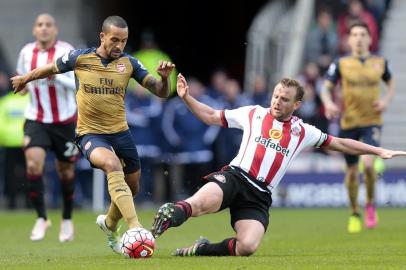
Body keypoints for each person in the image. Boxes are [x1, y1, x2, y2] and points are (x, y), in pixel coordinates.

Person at [150, 74, 405, 257]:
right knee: (197, 204)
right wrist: (186, 97)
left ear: (296, 105)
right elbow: (211, 116)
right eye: (275, 96)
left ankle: (202, 248)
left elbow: (340, 143)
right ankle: (166, 219)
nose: (277, 101)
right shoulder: (252, 113)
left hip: (260, 195)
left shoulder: (302, 131)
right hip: (236, 177)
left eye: (284, 99)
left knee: (247, 247)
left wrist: (378, 150)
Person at [11, 15, 175, 253]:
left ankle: (109, 224)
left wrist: (164, 79)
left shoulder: (129, 63)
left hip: (121, 134)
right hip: (90, 134)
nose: (119, 45)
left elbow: (160, 91)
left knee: (133, 187)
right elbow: (52, 67)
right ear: (102, 37)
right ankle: (135, 226)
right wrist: (26, 78)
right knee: (111, 165)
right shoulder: (80, 58)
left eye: (124, 40)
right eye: (114, 39)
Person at [320, 21, 395, 233]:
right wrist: (328, 103)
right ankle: (354, 211)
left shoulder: (380, 62)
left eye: (363, 34)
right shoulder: (341, 63)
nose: (359, 38)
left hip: (371, 122)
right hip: (348, 123)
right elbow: (325, 88)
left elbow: (391, 83)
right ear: (349, 39)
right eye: (355, 34)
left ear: (370, 39)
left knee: (369, 165)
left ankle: (370, 204)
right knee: (352, 172)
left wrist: (386, 101)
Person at [15, 14, 77, 242]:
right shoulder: (25, 52)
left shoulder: (66, 51)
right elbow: (23, 82)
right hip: (37, 119)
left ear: (55, 29)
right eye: (39, 25)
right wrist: (22, 85)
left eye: (48, 25)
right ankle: (41, 218)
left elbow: (75, 83)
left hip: (65, 121)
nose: (43, 28)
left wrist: (52, 73)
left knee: (66, 171)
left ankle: (67, 219)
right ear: (34, 30)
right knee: (32, 164)